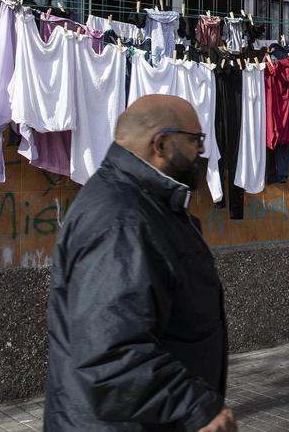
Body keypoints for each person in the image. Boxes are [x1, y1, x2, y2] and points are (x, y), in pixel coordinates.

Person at [45, 94, 237, 432]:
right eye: (195, 141)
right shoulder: (122, 221)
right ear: (161, 144)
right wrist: (194, 407)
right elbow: (110, 353)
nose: (202, 152)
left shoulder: (146, 204)